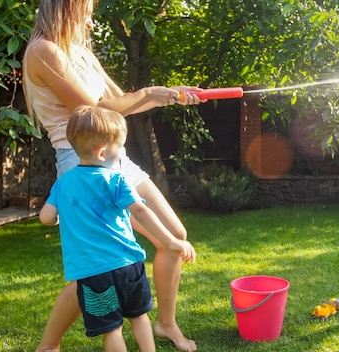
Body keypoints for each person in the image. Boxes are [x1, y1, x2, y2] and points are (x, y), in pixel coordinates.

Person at [22, 0, 203, 350]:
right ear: (66, 9)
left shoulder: (80, 52)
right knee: (97, 265)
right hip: (80, 161)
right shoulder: (43, 51)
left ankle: (165, 323)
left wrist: (168, 96)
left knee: (174, 233)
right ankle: (48, 345)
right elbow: (89, 110)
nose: (91, 22)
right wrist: (149, 93)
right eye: (86, 13)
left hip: (113, 156)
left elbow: (121, 102)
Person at [39, 105, 196, 351]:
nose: (123, 152)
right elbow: (141, 212)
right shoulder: (117, 179)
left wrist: (61, 212)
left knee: (112, 329)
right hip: (128, 265)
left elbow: (46, 218)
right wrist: (170, 242)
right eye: (120, 147)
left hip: (93, 273)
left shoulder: (63, 183)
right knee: (139, 317)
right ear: (102, 153)